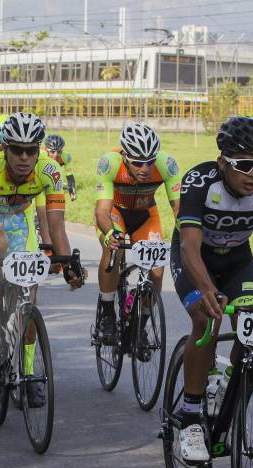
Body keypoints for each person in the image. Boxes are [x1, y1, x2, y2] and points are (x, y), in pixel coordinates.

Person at [171, 116, 253, 463]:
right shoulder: (200, 181)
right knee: (205, 317)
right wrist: (207, 289)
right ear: (222, 163)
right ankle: (189, 416)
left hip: (237, 261)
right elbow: (189, 246)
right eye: (244, 165)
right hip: (196, 258)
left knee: (252, 324)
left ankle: (230, 381)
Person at [0, 112, 85, 346]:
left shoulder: (50, 170)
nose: (24, 157)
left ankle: (28, 372)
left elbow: (57, 226)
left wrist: (69, 264)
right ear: (5, 148)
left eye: (31, 150)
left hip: (19, 215)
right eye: (17, 150)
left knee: (29, 291)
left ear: (39, 150)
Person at [94, 123, 182, 340]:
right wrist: (110, 234)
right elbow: (102, 211)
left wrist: (188, 238)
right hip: (116, 213)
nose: (145, 168)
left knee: (157, 270)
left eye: (150, 162)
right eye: (138, 163)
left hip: (146, 215)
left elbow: (180, 210)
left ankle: (140, 324)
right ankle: (107, 313)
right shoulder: (109, 163)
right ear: (125, 155)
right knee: (115, 250)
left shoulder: (166, 164)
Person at [44, 134, 76, 201]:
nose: (55, 155)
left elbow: (69, 176)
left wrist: (72, 191)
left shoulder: (66, 156)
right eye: (52, 151)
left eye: (59, 151)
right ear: (46, 149)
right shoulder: (40, 154)